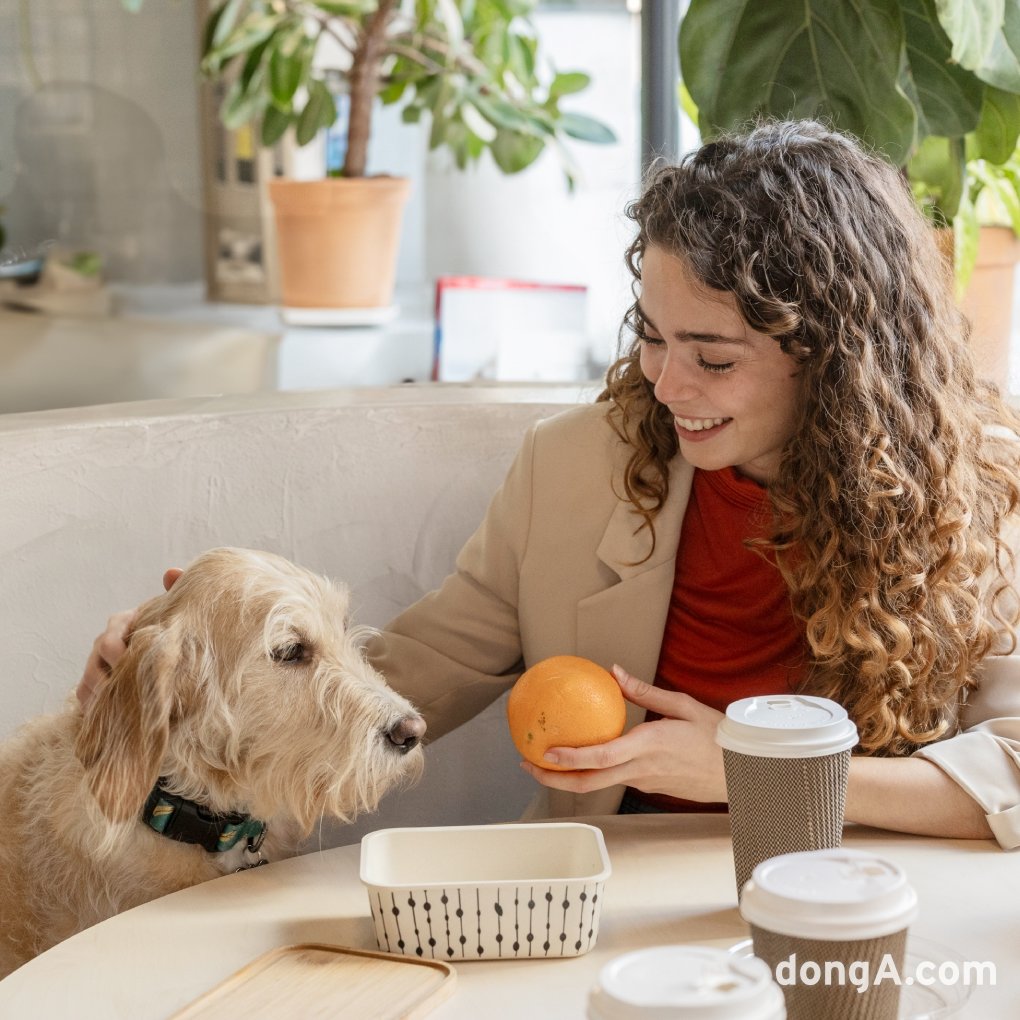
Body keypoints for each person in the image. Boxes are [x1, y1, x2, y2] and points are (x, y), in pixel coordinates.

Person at [80, 120, 1020, 848]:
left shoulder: (978, 486)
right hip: (612, 892)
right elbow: (408, 680)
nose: (666, 383)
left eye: (714, 357)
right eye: (652, 335)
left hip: (865, 891)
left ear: (833, 359)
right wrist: (200, 671)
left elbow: (1010, 768)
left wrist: (754, 772)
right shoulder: (574, 469)